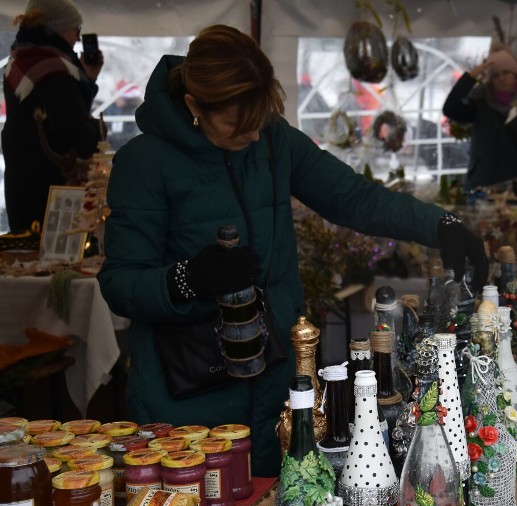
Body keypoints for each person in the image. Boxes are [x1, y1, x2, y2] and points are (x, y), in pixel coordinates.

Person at [97, 25, 488, 477]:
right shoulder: (144, 164)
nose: (254, 137)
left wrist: (440, 226)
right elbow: (121, 282)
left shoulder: (273, 141)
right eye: (237, 125)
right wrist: (188, 278)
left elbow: (352, 197)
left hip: (277, 386)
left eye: (260, 120)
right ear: (193, 107)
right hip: (186, 400)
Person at [2, 0, 103, 233]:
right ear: (59, 29)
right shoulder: (53, 69)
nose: (78, 38)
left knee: (28, 255)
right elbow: (75, 134)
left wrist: (87, 78)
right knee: (56, 260)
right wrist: (98, 130)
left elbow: (58, 114)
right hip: (52, 187)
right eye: (76, 30)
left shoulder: (19, 60)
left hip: (23, 178)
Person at [442, 45, 517, 192]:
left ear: (515, 74)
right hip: (482, 187)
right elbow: (451, 109)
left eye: (506, 72)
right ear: (490, 79)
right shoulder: (480, 101)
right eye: (496, 75)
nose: (501, 78)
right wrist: (471, 76)